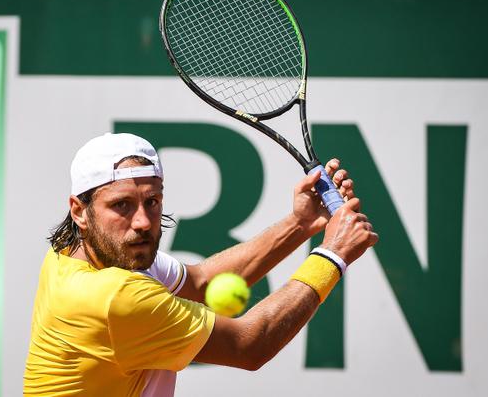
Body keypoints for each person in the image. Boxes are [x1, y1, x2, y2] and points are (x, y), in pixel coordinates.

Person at [23, 133, 378, 396]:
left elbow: (204, 281)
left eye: (152, 201)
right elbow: (250, 345)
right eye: (122, 206)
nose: (144, 222)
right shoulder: (114, 297)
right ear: (79, 211)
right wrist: (334, 254)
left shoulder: (72, 253)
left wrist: (301, 223)